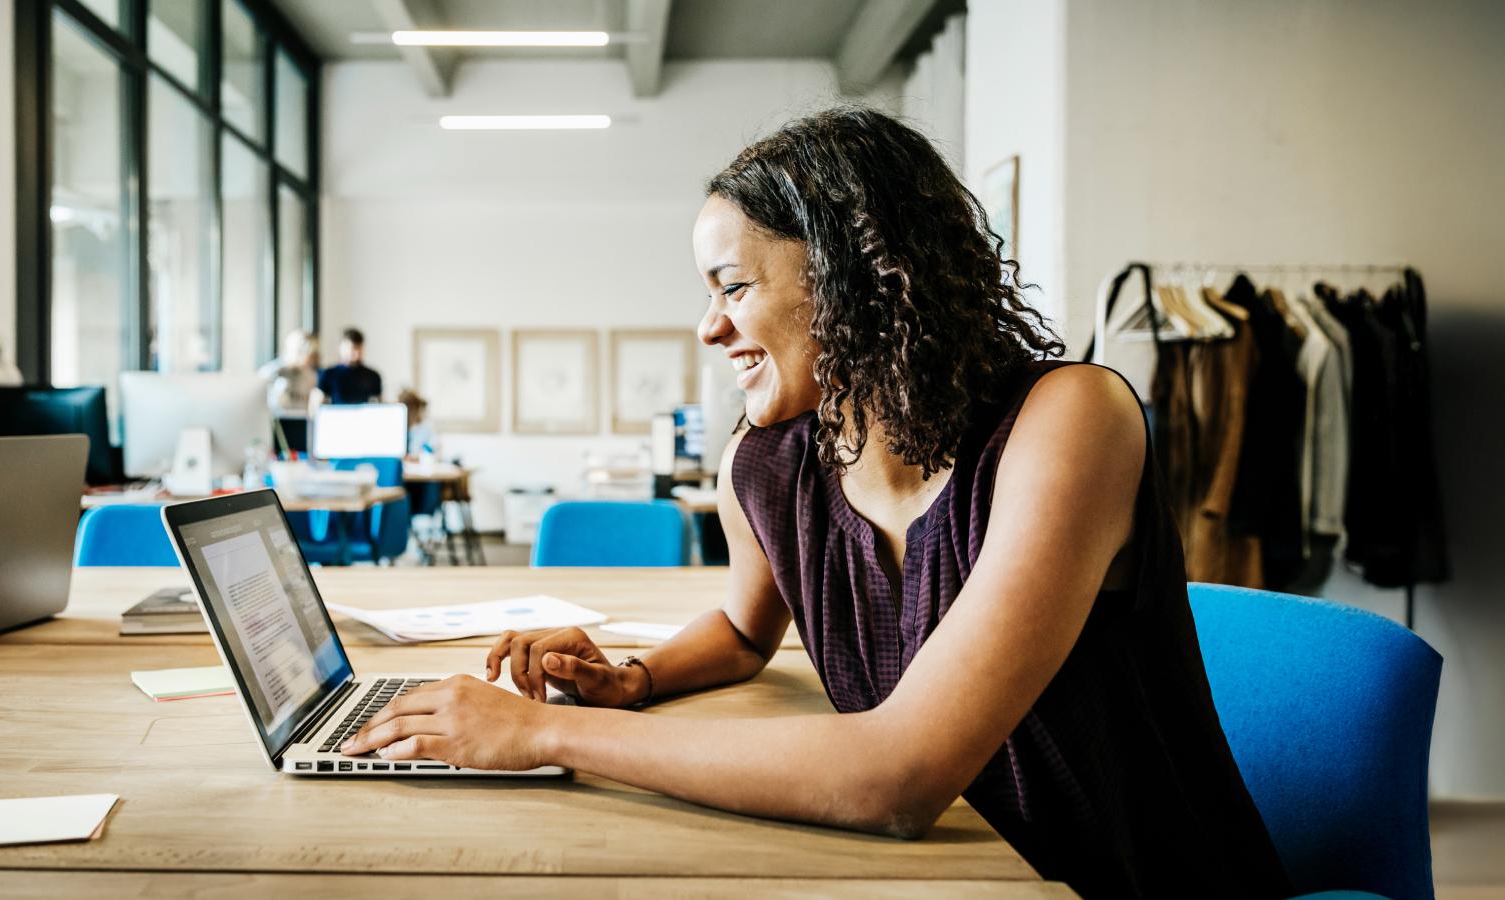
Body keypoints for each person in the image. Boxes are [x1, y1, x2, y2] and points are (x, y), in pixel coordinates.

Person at [339, 109, 1293, 899]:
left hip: (1123, 882)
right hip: (941, 877)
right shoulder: (766, 464)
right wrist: (636, 681)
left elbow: (899, 778)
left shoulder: (1068, 421)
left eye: (734, 286)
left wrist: (542, 729)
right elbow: (746, 630)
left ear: (853, 275)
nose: (711, 326)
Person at [313, 327, 383, 408]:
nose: (354, 352)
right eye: (351, 348)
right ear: (340, 348)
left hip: (363, 418)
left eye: (358, 348)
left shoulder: (373, 376)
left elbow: (378, 404)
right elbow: (317, 404)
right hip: (336, 417)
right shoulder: (328, 374)